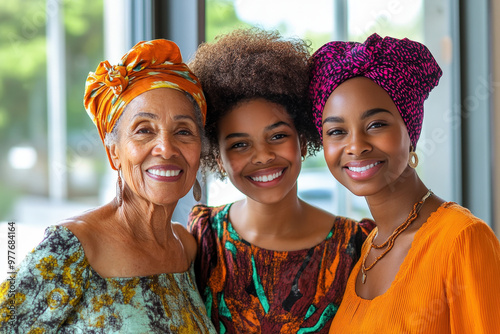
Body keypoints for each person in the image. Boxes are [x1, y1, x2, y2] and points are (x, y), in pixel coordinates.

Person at [0, 39, 216, 333]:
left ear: (199, 152)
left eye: (183, 131)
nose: (166, 148)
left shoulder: (186, 247)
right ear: (114, 152)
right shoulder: (74, 247)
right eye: (144, 130)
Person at [308, 33, 500, 333]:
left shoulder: (461, 239)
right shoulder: (368, 249)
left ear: (410, 131)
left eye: (376, 125)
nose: (356, 146)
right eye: (336, 131)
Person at [187, 28, 374, 334]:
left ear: (302, 140)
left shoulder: (356, 245)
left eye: (277, 136)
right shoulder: (204, 239)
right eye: (239, 144)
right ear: (218, 157)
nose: (262, 156)